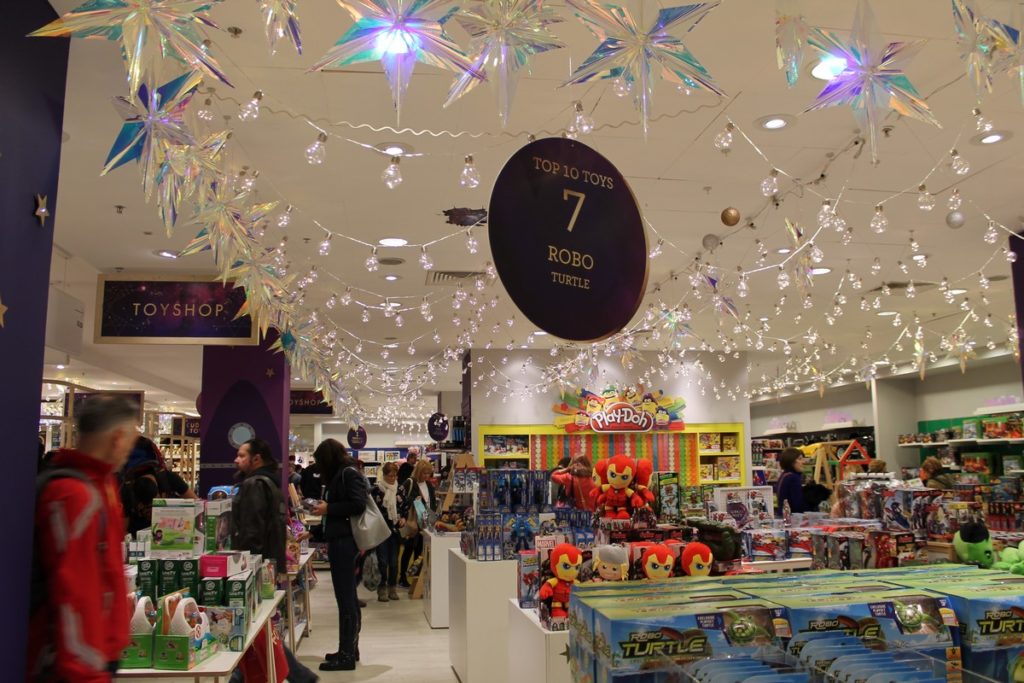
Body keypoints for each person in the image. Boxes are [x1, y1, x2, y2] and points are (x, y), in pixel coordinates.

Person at [28, 396, 138, 683]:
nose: (130, 449)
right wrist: (87, 672)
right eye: (131, 439)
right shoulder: (74, 494)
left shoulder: (102, 484)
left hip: (100, 653)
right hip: (78, 665)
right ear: (117, 437)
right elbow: (74, 590)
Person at [230, 438, 317, 683]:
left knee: (254, 627)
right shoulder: (271, 484)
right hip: (267, 565)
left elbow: (251, 530)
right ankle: (299, 676)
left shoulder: (254, 485)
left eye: (242, 455)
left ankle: (299, 676)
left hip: (254, 567)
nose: (236, 460)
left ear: (256, 458)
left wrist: (245, 568)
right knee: (258, 628)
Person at [310, 439, 367, 672]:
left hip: (345, 543)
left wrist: (329, 508)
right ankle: (350, 649)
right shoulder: (343, 474)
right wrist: (314, 531)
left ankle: (346, 655)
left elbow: (358, 505)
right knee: (347, 598)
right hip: (341, 541)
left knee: (346, 599)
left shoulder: (348, 474)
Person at [122, 436, 196, 535]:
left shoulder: (168, 478)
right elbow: (123, 528)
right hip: (139, 536)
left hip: (171, 533)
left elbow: (196, 502)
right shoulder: (127, 489)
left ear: (157, 489)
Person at [397, 459, 436, 587]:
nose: (426, 476)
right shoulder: (410, 482)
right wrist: (413, 501)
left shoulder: (429, 485)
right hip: (413, 522)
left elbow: (432, 503)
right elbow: (399, 499)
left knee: (420, 552)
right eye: (424, 473)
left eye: (428, 473)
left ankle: (416, 578)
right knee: (408, 550)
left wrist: (433, 518)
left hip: (425, 523)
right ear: (418, 471)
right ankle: (403, 577)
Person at [370, 462, 404, 602]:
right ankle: (382, 588)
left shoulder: (399, 490)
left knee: (394, 562)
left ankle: (392, 587)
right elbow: (372, 510)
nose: (393, 478)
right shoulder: (376, 490)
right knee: (382, 561)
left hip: (395, 531)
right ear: (384, 475)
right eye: (390, 476)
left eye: (395, 475)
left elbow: (404, 506)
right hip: (381, 531)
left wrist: (403, 517)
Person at [773, 447, 806, 515]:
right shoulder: (793, 478)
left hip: (782, 515)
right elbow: (798, 504)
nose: (803, 462)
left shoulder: (784, 475)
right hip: (793, 518)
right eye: (799, 459)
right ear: (791, 461)